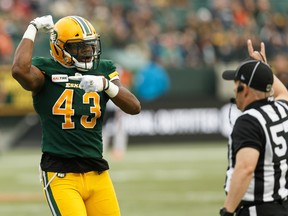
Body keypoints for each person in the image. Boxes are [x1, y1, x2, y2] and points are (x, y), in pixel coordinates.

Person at [12, 15, 141, 216]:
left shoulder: (103, 69)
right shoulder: (46, 70)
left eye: (90, 46)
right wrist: (33, 28)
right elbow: (19, 70)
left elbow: (134, 107)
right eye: (79, 47)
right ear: (59, 48)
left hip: (97, 171)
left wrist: (106, 85)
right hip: (61, 173)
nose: (88, 53)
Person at [219, 39, 288, 216]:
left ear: (246, 89)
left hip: (258, 209)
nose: (234, 90)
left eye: (236, 84)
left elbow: (245, 169)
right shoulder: (283, 109)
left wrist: (228, 211)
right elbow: (283, 93)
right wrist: (263, 68)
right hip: (282, 205)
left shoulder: (249, 121)